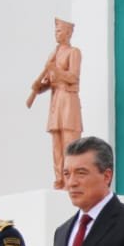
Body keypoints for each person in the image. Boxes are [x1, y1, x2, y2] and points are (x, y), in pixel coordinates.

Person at [26, 18, 82, 189]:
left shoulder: (74, 52)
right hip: (56, 100)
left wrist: (56, 70)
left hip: (68, 100)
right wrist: (39, 86)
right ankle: (59, 179)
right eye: (55, 31)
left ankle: (70, 180)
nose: (56, 34)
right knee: (56, 144)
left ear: (68, 33)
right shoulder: (54, 54)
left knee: (69, 142)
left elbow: (73, 77)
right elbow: (49, 81)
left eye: (59, 31)